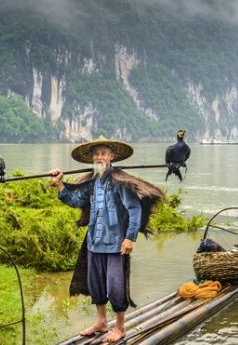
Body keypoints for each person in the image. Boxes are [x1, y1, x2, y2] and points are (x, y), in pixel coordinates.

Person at [50, 136, 163, 343]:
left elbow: (134, 209)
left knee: (115, 285)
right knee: (96, 285)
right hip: (94, 242)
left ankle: (120, 327)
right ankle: (101, 322)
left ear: (111, 157)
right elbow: (75, 200)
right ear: (92, 158)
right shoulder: (91, 183)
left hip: (116, 244)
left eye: (103, 153)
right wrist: (59, 186)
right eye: (96, 154)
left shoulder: (119, 182)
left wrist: (130, 238)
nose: (99, 157)